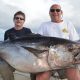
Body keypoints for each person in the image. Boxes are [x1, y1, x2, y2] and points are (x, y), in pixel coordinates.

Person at [36, 4, 80, 80]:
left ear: (61, 12)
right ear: (49, 13)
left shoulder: (68, 24)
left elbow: (75, 42)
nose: (55, 12)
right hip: (48, 59)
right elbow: (38, 41)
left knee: (75, 77)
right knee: (40, 78)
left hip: (67, 59)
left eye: (57, 10)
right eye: (52, 10)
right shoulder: (44, 25)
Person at [4, 11, 32, 80]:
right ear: (14, 19)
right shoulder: (7, 32)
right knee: (2, 65)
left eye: (21, 18)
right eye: (17, 18)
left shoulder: (28, 31)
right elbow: (4, 47)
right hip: (11, 59)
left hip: (26, 59)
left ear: (23, 21)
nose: (19, 19)